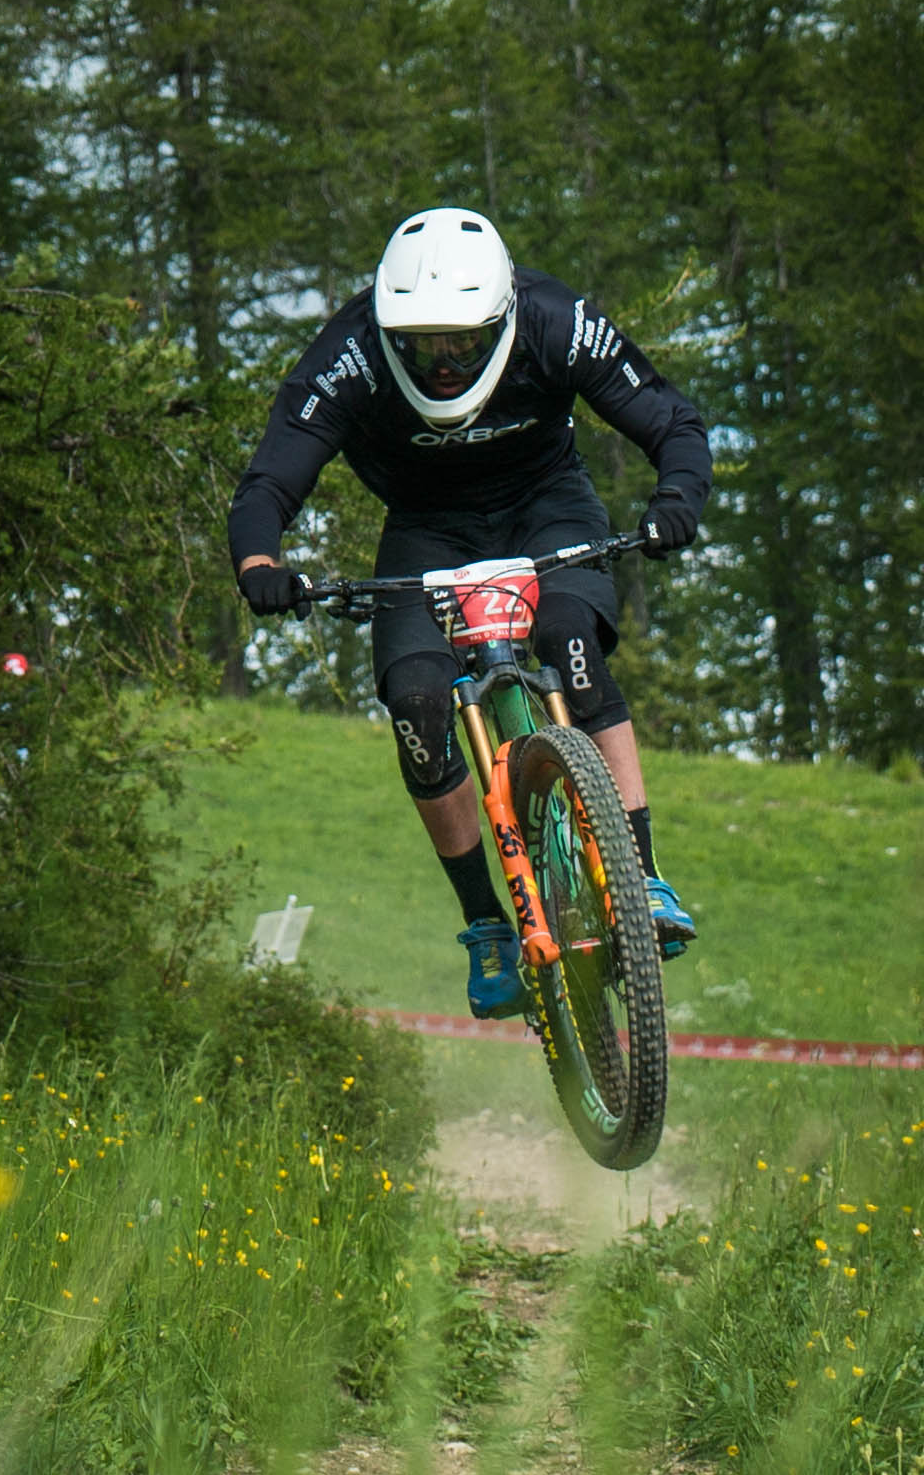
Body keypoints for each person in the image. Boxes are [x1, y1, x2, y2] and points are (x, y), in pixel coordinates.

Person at [229, 207, 707, 1019]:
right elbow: (270, 481)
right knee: (416, 702)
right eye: (424, 346)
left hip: (548, 507)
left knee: (569, 639)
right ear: (389, 330)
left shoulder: (556, 321)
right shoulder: (348, 355)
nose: (445, 364)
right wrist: (261, 564)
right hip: (426, 531)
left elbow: (672, 419)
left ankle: (643, 875)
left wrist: (676, 500)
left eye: (463, 342)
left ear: (503, 318)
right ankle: (487, 924)